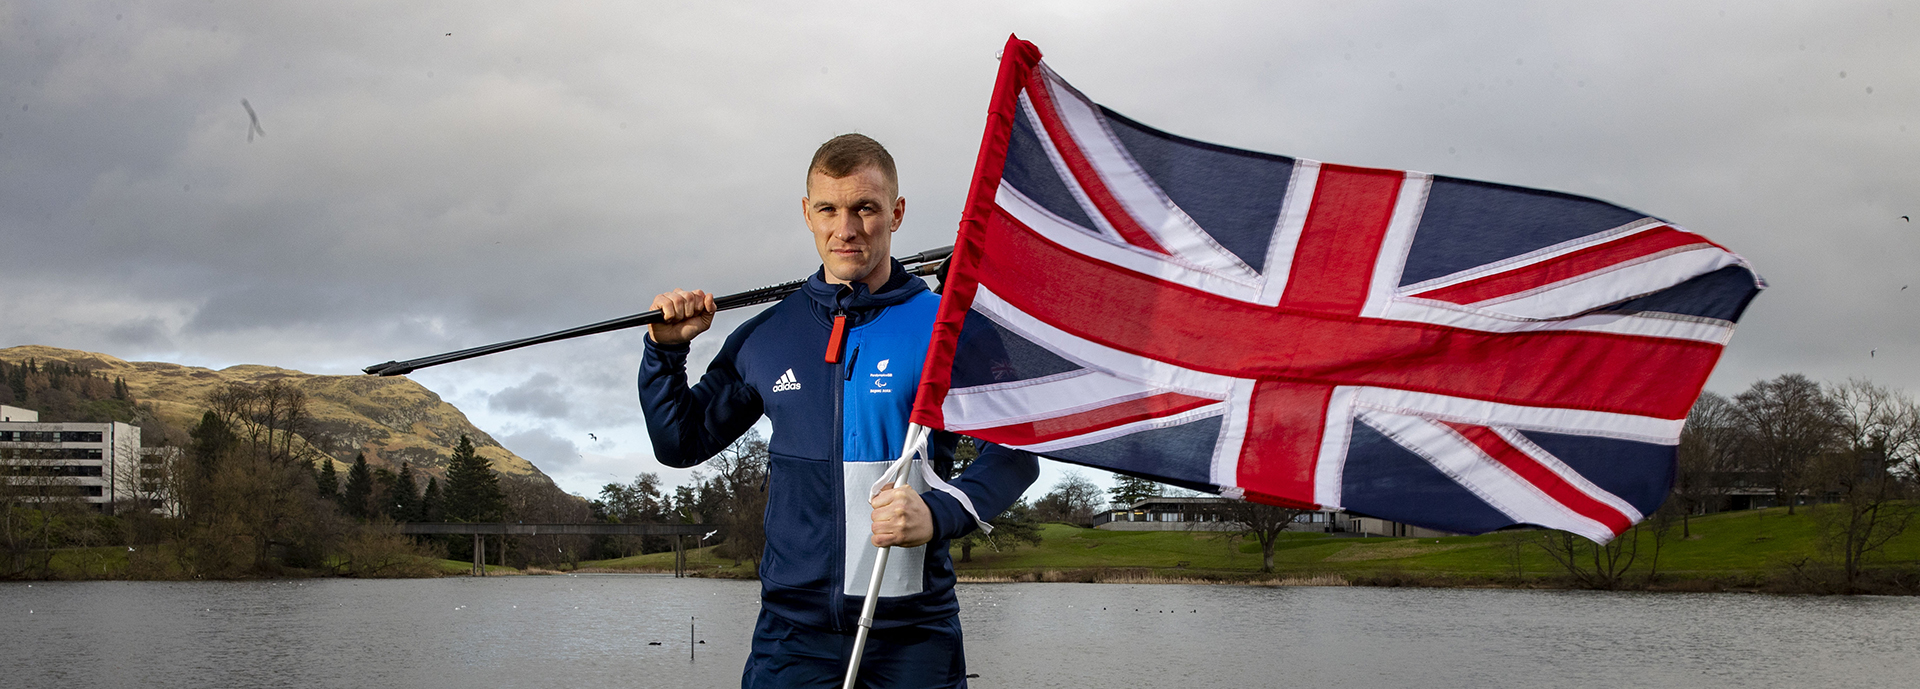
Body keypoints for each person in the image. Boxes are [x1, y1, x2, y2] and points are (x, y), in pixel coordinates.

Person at [638, 133, 1039, 688]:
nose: (845, 228)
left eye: (865, 208)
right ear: (807, 213)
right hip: (792, 638)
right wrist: (665, 350)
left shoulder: (948, 329)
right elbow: (680, 443)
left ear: (896, 213)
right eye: (828, 208)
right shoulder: (768, 335)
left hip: (913, 637)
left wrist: (939, 513)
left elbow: (1017, 452)